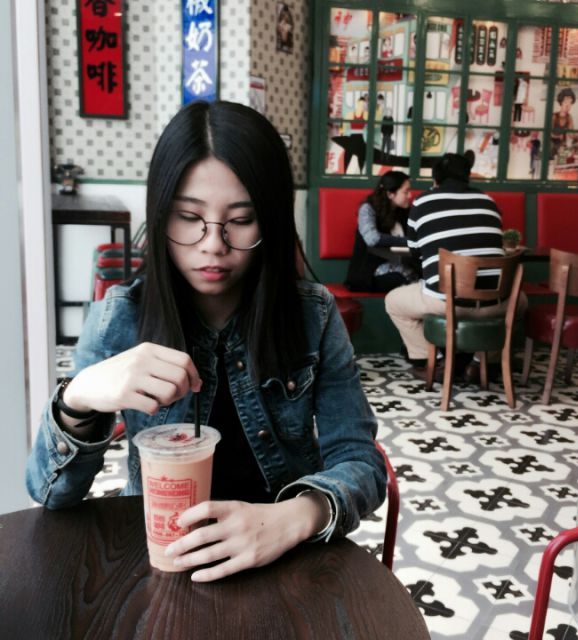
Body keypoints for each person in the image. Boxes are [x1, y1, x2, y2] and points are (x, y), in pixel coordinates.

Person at [26, 100, 386, 582]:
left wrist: (295, 516)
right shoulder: (119, 318)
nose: (213, 244)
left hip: (285, 562)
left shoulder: (312, 315)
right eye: (188, 216)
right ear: (160, 214)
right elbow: (50, 495)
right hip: (165, 561)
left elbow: (361, 462)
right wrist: (78, 399)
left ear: (271, 222)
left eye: (241, 219)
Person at [385, 152, 525, 379]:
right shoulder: (488, 201)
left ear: (435, 179)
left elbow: (415, 250)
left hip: (446, 301)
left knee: (393, 302)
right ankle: (481, 362)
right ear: (468, 176)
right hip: (494, 301)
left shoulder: (422, 202)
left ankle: (433, 362)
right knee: (522, 301)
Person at [345, 170, 417, 293]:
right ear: (390, 194)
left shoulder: (405, 212)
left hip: (398, 267)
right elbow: (372, 239)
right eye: (406, 192)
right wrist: (409, 241)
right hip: (367, 275)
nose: (410, 196)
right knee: (404, 280)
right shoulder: (368, 209)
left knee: (421, 277)